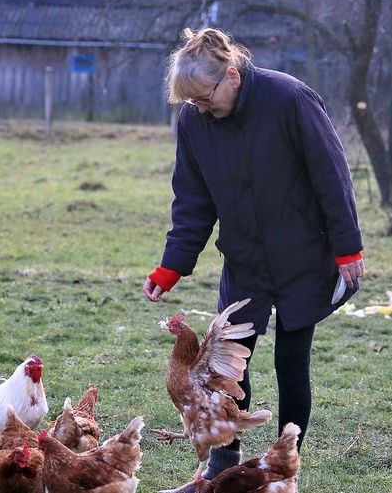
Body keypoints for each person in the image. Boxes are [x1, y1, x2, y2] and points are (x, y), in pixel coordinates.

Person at [144, 27, 365, 491]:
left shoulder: (290, 98)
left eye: (205, 98)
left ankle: (284, 469)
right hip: (244, 258)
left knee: (291, 358)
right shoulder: (194, 120)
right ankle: (222, 468)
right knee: (225, 367)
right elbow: (192, 200)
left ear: (232, 75)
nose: (200, 108)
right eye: (192, 103)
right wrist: (171, 266)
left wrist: (347, 249)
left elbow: (332, 176)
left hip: (302, 253)